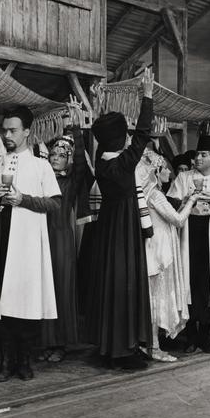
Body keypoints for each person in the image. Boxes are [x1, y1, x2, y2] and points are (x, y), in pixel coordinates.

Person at [0, 105, 62, 382]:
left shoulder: (40, 166)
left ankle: (23, 360)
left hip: (26, 245)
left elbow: (55, 204)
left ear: (27, 131)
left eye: (13, 130)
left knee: (25, 302)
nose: (8, 136)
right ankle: (5, 361)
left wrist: (24, 200)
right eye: (5, 131)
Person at [85, 68, 155, 370]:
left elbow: (107, 134)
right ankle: (124, 350)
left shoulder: (102, 161)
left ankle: (111, 345)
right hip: (125, 228)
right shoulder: (124, 163)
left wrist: (99, 107)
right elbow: (143, 134)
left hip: (109, 226)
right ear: (120, 138)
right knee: (126, 283)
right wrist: (147, 96)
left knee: (111, 283)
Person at [167, 134, 210, 354]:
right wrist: (186, 200)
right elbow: (170, 203)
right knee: (188, 286)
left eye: (204, 155)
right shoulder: (183, 178)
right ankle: (190, 337)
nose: (198, 158)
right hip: (189, 236)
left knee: (207, 287)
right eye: (197, 154)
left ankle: (204, 337)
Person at [136, 148, 200, 362]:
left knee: (154, 300)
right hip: (159, 254)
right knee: (157, 300)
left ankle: (150, 343)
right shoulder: (156, 195)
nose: (169, 173)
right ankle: (154, 346)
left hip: (154, 249)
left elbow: (170, 216)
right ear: (156, 171)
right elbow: (178, 220)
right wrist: (192, 200)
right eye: (165, 169)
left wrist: (185, 202)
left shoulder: (151, 194)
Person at [38, 117, 88, 364]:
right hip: (41, 236)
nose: (55, 158)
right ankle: (45, 342)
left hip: (60, 239)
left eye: (61, 155)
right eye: (53, 154)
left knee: (61, 290)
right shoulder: (41, 178)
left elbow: (81, 164)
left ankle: (60, 344)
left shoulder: (71, 181)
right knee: (44, 290)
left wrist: (77, 130)